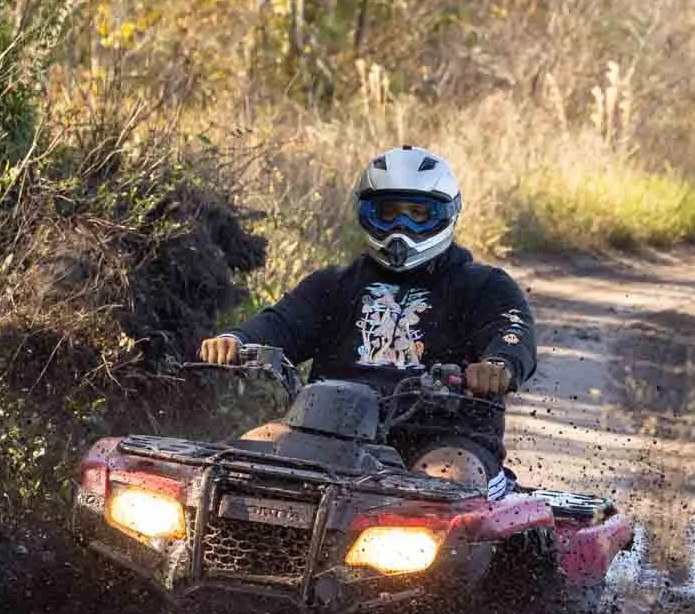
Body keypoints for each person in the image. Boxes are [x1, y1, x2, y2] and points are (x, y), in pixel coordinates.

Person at [199, 146, 536, 496]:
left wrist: (499, 364)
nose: (401, 227)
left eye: (418, 214)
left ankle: (450, 549)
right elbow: (282, 322)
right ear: (366, 214)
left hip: (449, 440)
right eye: (387, 213)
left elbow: (513, 331)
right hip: (326, 429)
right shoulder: (333, 283)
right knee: (246, 457)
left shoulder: (484, 285)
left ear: (447, 214)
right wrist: (236, 340)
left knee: (446, 478)